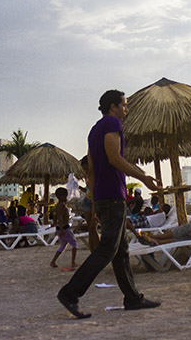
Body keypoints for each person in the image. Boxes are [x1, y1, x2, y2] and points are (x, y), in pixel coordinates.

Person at [57, 89, 160, 319]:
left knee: (120, 250)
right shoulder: (113, 123)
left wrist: (93, 200)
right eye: (124, 104)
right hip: (113, 195)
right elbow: (115, 158)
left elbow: (91, 168)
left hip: (103, 196)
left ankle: (133, 298)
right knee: (107, 249)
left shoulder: (94, 131)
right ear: (113, 106)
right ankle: (70, 293)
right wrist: (143, 177)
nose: (127, 108)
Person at [49, 187, 78, 269]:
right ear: (62, 196)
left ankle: (53, 261)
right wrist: (61, 229)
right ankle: (73, 262)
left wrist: (56, 228)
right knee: (74, 244)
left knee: (63, 245)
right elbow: (60, 217)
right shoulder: (62, 205)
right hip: (64, 228)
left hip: (60, 228)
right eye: (65, 196)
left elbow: (55, 217)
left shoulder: (57, 205)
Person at [78, 155, 100, 251]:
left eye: (87, 169)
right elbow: (88, 190)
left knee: (93, 228)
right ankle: (93, 252)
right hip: (87, 200)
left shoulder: (97, 175)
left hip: (95, 201)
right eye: (84, 170)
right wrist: (78, 187)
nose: (86, 171)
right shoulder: (88, 176)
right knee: (90, 230)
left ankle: (99, 251)